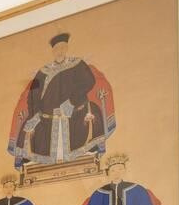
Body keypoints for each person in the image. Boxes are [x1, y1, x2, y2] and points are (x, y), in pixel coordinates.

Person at [8, 33, 116, 168]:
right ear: (53, 51)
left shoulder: (77, 64)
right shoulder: (43, 71)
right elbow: (33, 96)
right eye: (57, 49)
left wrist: (72, 101)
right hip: (47, 117)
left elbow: (89, 82)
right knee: (27, 130)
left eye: (63, 47)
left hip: (75, 111)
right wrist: (35, 115)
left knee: (93, 114)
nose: (60, 51)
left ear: (67, 48)